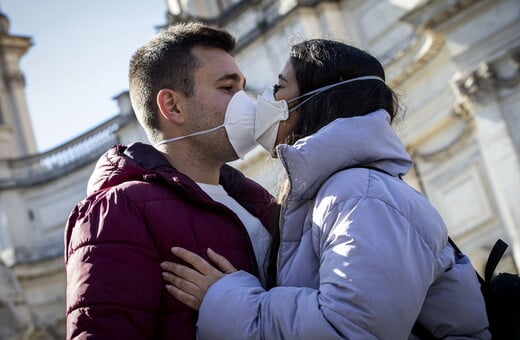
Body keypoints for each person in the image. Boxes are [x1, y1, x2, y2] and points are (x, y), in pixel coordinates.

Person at [160, 39, 491, 339]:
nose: (263, 101)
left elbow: (348, 330)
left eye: (278, 88)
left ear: (312, 102)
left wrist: (226, 299)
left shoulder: (362, 195)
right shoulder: (342, 192)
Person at [64, 23, 277, 339]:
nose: (246, 102)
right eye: (228, 88)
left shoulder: (258, 201)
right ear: (173, 106)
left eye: (243, 88)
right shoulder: (118, 210)